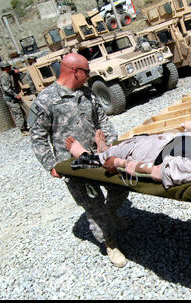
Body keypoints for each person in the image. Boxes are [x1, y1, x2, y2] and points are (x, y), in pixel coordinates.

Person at [28, 52, 130, 268]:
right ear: (75, 71)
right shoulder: (46, 101)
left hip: (99, 157)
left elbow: (102, 119)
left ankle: (111, 211)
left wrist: (109, 144)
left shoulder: (87, 93)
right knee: (94, 206)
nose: (89, 75)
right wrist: (50, 165)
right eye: (87, 71)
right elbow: (37, 136)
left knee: (121, 188)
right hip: (74, 167)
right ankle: (110, 244)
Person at [0, 61, 29, 136]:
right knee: (18, 113)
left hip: (13, 97)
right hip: (10, 98)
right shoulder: (4, 76)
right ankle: (23, 130)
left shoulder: (9, 73)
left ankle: (25, 127)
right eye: (8, 67)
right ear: (5, 68)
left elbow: (20, 74)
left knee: (22, 111)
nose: (10, 68)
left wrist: (17, 71)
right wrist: (15, 95)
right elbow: (6, 89)